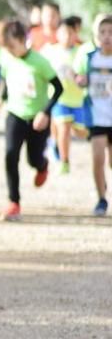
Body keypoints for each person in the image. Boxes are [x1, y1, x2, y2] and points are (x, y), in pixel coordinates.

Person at [0, 19, 63, 221]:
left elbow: (58, 88)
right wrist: (1, 100)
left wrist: (45, 112)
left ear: (22, 39)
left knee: (33, 159)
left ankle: (42, 166)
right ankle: (14, 202)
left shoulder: (40, 62)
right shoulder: (6, 58)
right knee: (10, 155)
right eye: (5, 46)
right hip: (15, 115)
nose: (8, 50)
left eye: (11, 45)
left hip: (37, 118)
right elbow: (8, 82)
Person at [73, 14, 112, 216]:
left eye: (111, 32)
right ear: (97, 36)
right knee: (97, 158)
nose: (107, 37)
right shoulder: (90, 58)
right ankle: (101, 199)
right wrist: (80, 80)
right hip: (96, 117)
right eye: (103, 32)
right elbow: (78, 76)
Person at [40, 18, 87, 173]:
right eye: (63, 33)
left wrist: (79, 77)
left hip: (78, 99)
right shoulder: (49, 51)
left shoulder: (82, 52)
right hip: (58, 99)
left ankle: (57, 144)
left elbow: (85, 73)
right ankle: (64, 161)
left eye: (70, 32)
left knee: (81, 133)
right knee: (64, 128)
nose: (67, 36)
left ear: (75, 34)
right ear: (57, 34)